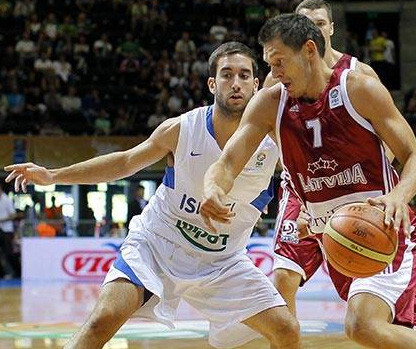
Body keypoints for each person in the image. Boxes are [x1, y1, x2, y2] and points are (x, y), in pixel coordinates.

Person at [4, 42, 300, 349]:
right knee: (101, 321)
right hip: (158, 247)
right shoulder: (181, 128)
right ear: (212, 83)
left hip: (223, 261)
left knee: (286, 329)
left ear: (255, 84)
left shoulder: (274, 142)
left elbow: (309, 178)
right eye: (226, 75)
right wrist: (54, 176)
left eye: (243, 75)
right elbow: (125, 162)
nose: (235, 83)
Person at [201, 14, 416, 349]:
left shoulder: (359, 89)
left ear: (308, 50)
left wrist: (398, 197)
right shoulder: (269, 104)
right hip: (336, 239)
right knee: (413, 328)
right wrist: (213, 188)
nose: (273, 75)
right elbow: (228, 163)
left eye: (279, 63)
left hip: (386, 234)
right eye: (269, 64)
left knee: (362, 325)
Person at [262, 0, 397, 319]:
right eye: (305, 23)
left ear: (331, 28)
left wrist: (381, 191)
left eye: (320, 23)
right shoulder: (276, 82)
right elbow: (261, 140)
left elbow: (391, 142)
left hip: (355, 190)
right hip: (303, 192)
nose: (313, 29)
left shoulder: (359, 75)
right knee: (282, 278)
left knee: (359, 294)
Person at [0, 184, 17, 279]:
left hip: (7, 230)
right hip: (0, 230)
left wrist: (2, 219)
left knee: (8, 253)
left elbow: (13, 215)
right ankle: (2, 273)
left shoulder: (7, 200)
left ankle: (15, 272)